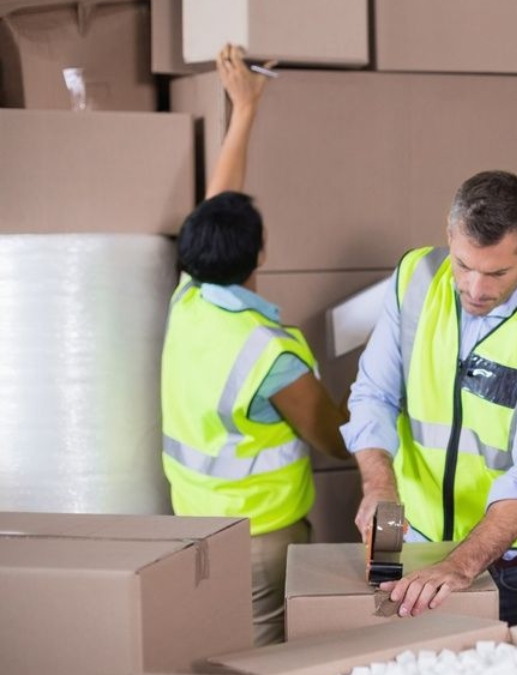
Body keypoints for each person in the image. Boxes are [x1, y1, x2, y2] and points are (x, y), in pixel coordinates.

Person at [343, 170, 517, 624]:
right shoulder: (414, 278)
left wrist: (461, 565)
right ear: (449, 236)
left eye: (497, 272)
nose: (475, 288)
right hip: (423, 550)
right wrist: (379, 486)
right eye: (463, 265)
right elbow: (374, 394)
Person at [161, 46, 352, 645]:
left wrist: (244, 108)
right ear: (261, 254)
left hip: (194, 528)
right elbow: (337, 439)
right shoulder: (270, 356)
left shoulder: (189, 301)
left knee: (210, 648)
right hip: (261, 538)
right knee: (264, 657)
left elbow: (218, 202)